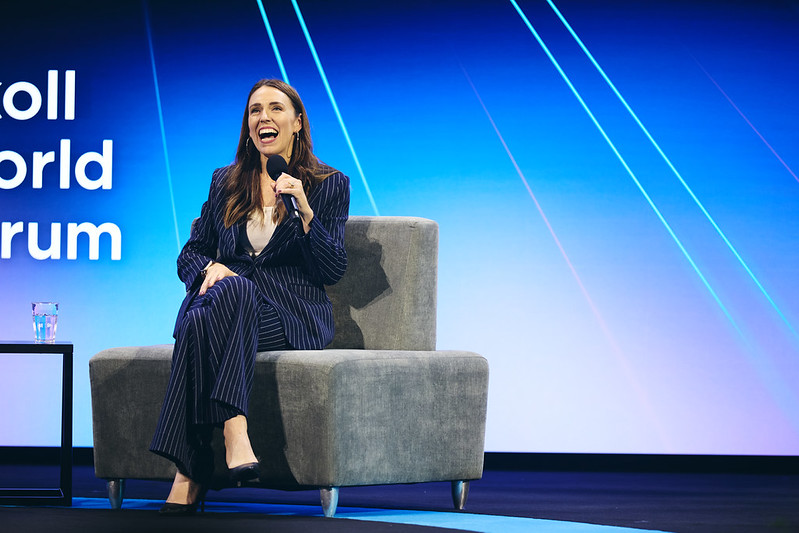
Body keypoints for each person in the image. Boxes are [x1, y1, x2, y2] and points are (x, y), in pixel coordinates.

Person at [149, 79, 350, 515]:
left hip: (290, 313)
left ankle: (190, 472)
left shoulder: (328, 183)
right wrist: (209, 269)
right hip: (227, 302)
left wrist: (306, 212)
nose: (264, 118)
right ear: (248, 126)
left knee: (207, 313)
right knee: (222, 295)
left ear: (297, 123)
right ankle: (232, 432)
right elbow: (193, 250)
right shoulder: (226, 181)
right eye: (255, 110)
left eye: (276, 109)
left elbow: (331, 270)